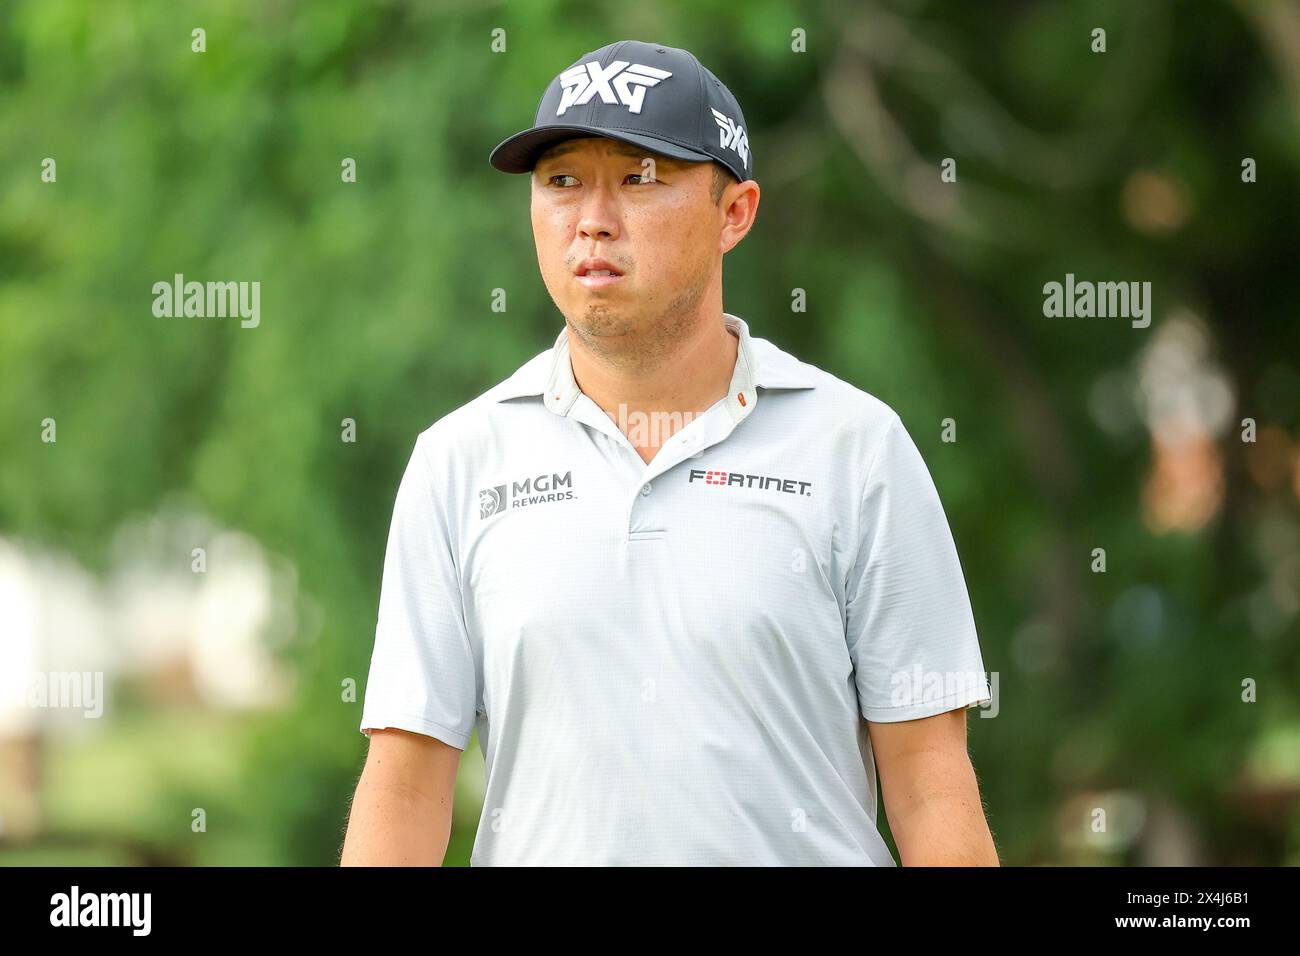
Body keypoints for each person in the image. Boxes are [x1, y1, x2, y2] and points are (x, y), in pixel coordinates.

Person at [341, 39, 997, 866]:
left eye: (641, 178)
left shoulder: (857, 449)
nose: (593, 218)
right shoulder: (458, 463)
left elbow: (930, 782)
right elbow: (404, 787)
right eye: (562, 181)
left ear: (736, 213)